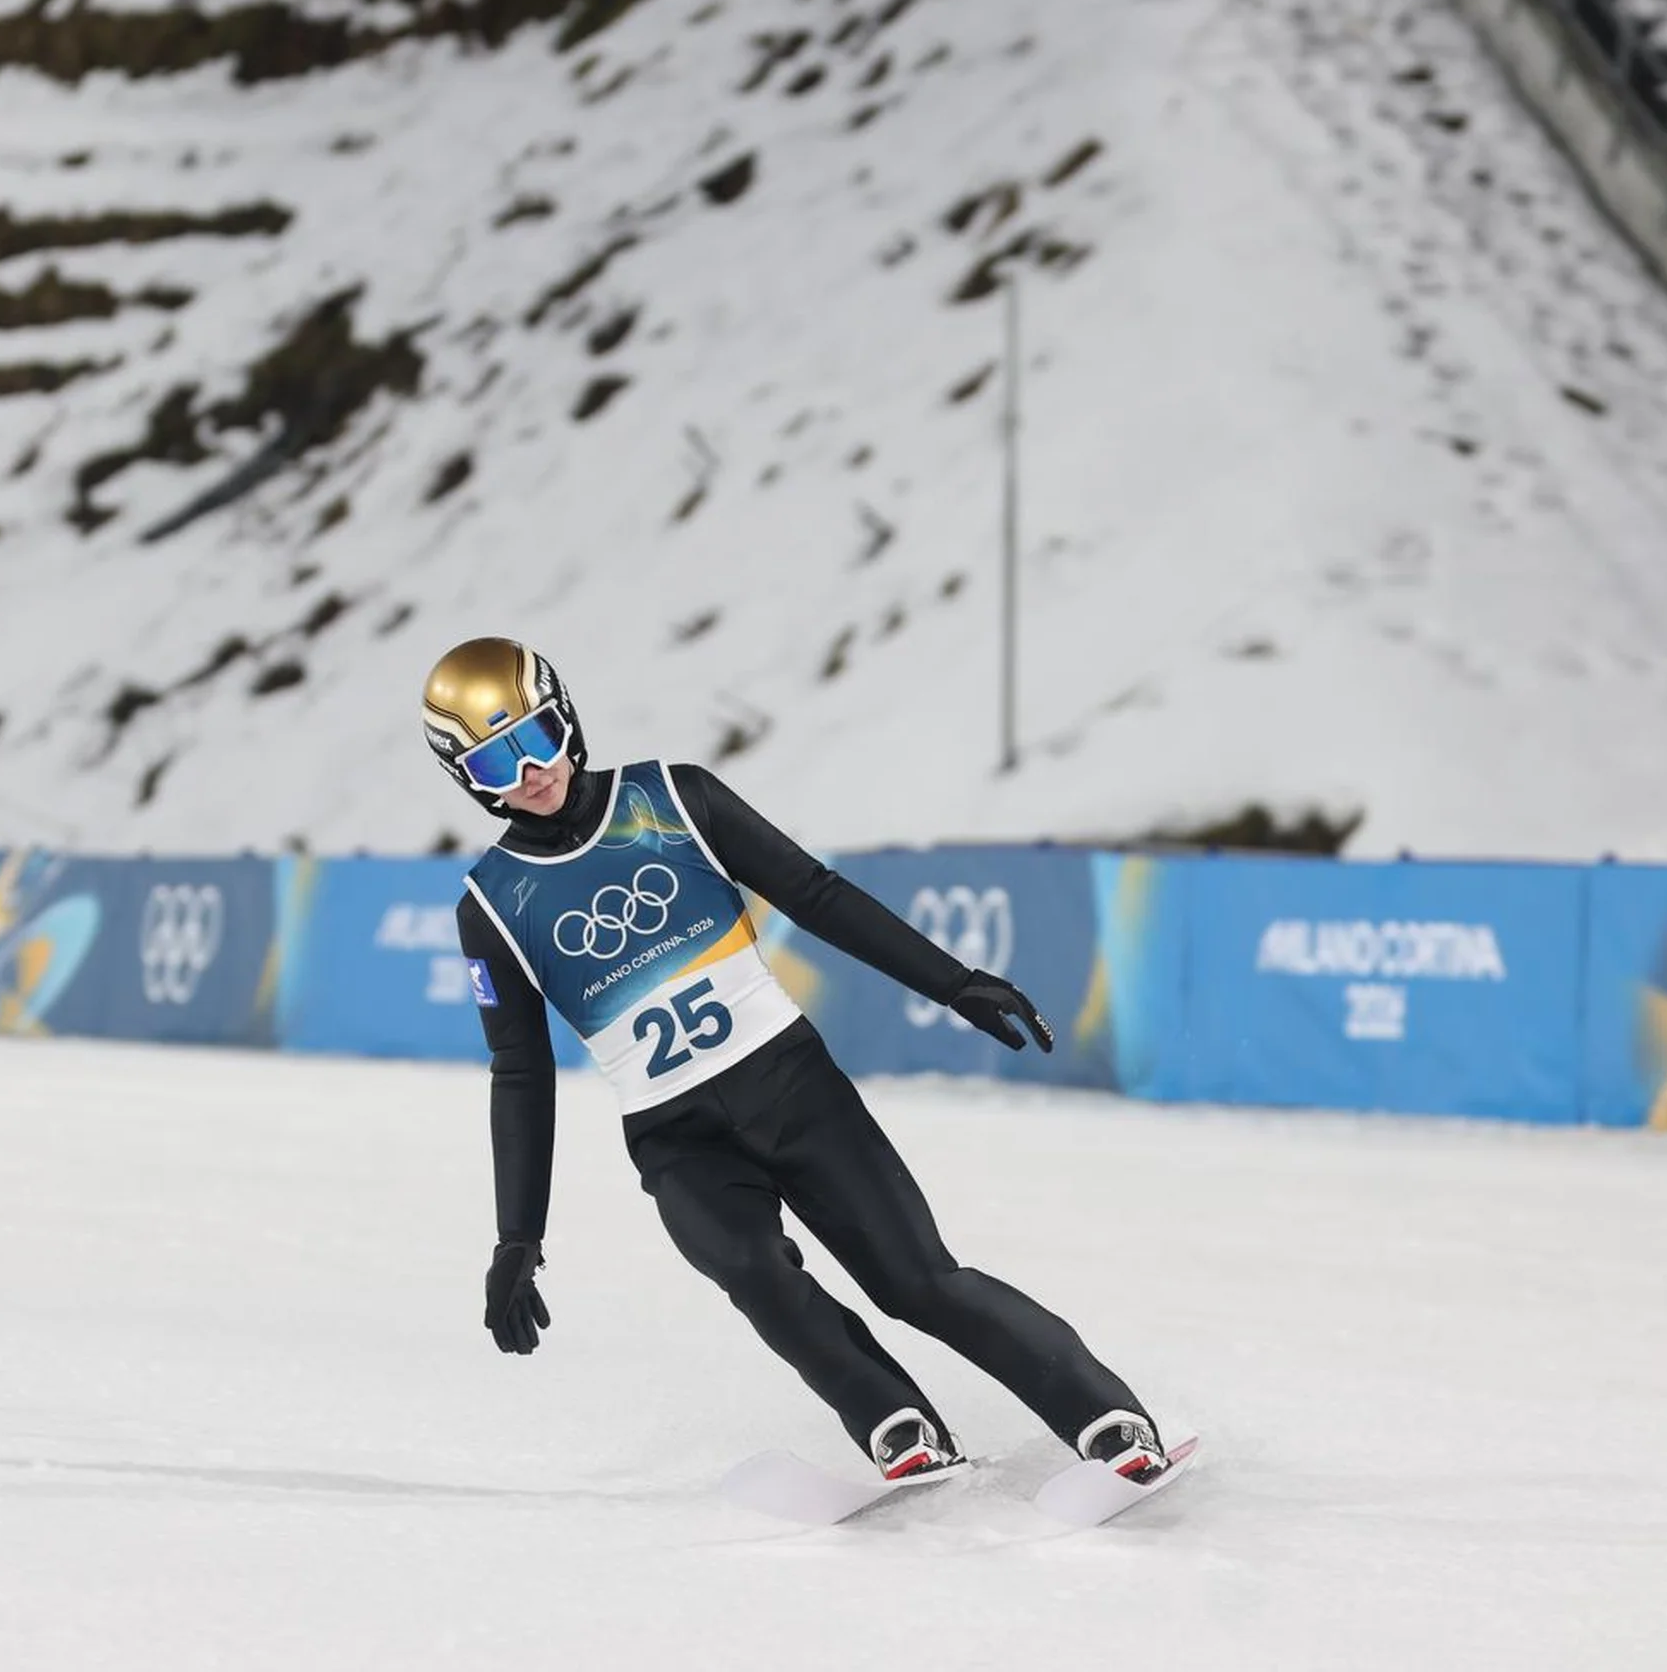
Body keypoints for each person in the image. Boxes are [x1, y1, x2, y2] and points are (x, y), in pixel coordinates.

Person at [420, 635, 1170, 1486]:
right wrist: (518, 1234)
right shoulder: (492, 904)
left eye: (538, 737)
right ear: (466, 778)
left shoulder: (676, 797)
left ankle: (1105, 1417)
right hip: (675, 1139)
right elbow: (519, 1071)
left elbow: (815, 895)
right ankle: (895, 1420)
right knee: (753, 1272)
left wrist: (953, 983)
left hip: (792, 1088)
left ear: (567, 719)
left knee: (917, 1281)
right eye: (496, 760)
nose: (531, 771)